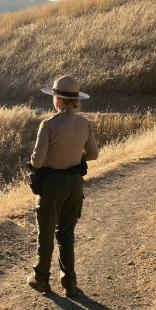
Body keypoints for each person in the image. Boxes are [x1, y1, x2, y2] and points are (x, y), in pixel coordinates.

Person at [26, 75, 99, 297]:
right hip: (75, 184)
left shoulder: (48, 125)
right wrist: (76, 156)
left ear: (57, 99)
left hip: (51, 184)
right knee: (66, 234)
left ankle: (41, 279)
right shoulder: (84, 123)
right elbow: (94, 154)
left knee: (46, 233)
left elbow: (37, 162)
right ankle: (70, 283)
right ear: (75, 100)